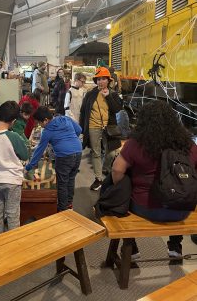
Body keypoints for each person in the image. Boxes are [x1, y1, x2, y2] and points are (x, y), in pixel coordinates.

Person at [112, 100, 197, 258]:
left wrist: (122, 187)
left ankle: (132, 248)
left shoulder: (136, 144)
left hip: (146, 208)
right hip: (182, 211)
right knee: (177, 188)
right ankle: (175, 246)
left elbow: (117, 170)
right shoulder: (188, 144)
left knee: (123, 189)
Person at [0, 101, 28, 235]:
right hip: (12, 181)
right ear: (13, 121)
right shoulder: (13, 136)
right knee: (12, 213)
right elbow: (25, 155)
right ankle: (12, 245)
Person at [25, 106, 82, 211]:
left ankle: (62, 210)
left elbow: (39, 151)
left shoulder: (47, 131)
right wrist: (70, 138)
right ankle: (69, 204)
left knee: (62, 183)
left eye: (40, 123)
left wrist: (29, 167)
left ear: (46, 120)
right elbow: (79, 130)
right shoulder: (65, 118)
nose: (40, 126)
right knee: (70, 179)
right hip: (78, 151)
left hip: (64, 156)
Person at [79, 66, 122, 191]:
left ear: (108, 80)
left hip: (109, 128)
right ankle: (98, 179)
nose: (100, 82)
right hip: (93, 127)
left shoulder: (113, 94)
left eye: (103, 79)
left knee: (112, 152)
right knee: (96, 152)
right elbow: (83, 112)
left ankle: (106, 169)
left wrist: (108, 96)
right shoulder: (90, 94)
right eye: (98, 79)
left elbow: (117, 109)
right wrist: (82, 129)